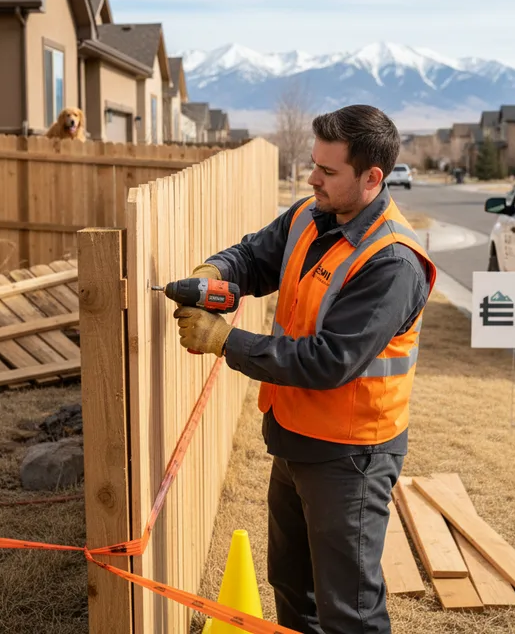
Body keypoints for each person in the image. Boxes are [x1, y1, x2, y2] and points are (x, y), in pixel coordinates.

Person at [175, 104, 436, 634]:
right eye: (313, 164)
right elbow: (254, 258)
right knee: (294, 587)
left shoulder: (391, 262)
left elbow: (327, 361)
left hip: (350, 455)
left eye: (327, 170)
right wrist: (215, 271)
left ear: (371, 178)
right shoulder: (310, 214)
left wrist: (225, 339)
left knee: (349, 613)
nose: (312, 178)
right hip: (295, 436)